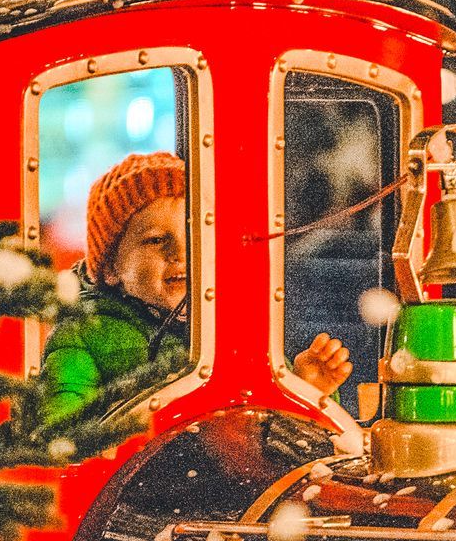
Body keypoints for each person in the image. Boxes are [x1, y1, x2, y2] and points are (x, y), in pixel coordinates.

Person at [38, 151, 353, 424]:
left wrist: (307, 387)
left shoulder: (231, 327)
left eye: (194, 239)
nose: (180, 254)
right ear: (110, 269)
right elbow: (65, 434)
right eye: (156, 240)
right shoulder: (81, 333)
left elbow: (278, 434)